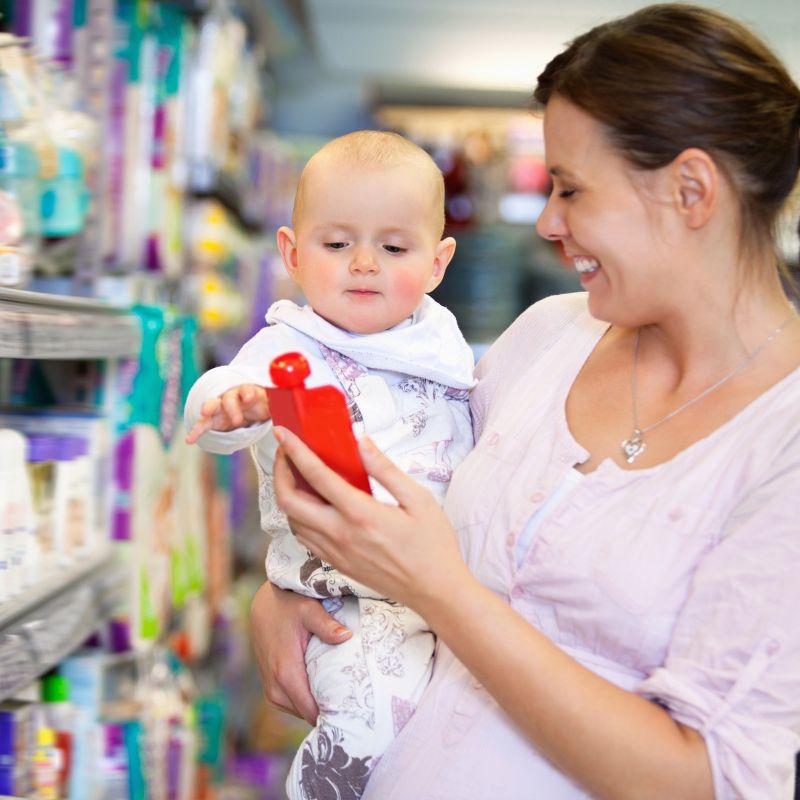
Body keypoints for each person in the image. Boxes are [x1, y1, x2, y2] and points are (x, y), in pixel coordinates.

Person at [251, 4, 800, 799]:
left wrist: (438, 589)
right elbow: (401, 501)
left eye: (571, 189)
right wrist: (287, 592)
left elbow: (709, 780)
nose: (548, 222)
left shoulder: (782, 440)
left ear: (691, 190)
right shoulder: (547, 338)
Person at [184, 130, 475, 799]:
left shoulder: (441, 341)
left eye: (394, 247)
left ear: (437, 261)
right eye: (337, 244)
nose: (364, 263)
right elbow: (213, 406)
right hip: (346, 599)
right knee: (366, 730)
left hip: (445, 593)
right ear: (291, 252)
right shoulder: (288, 345)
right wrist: (235, 406)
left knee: (443, 743)